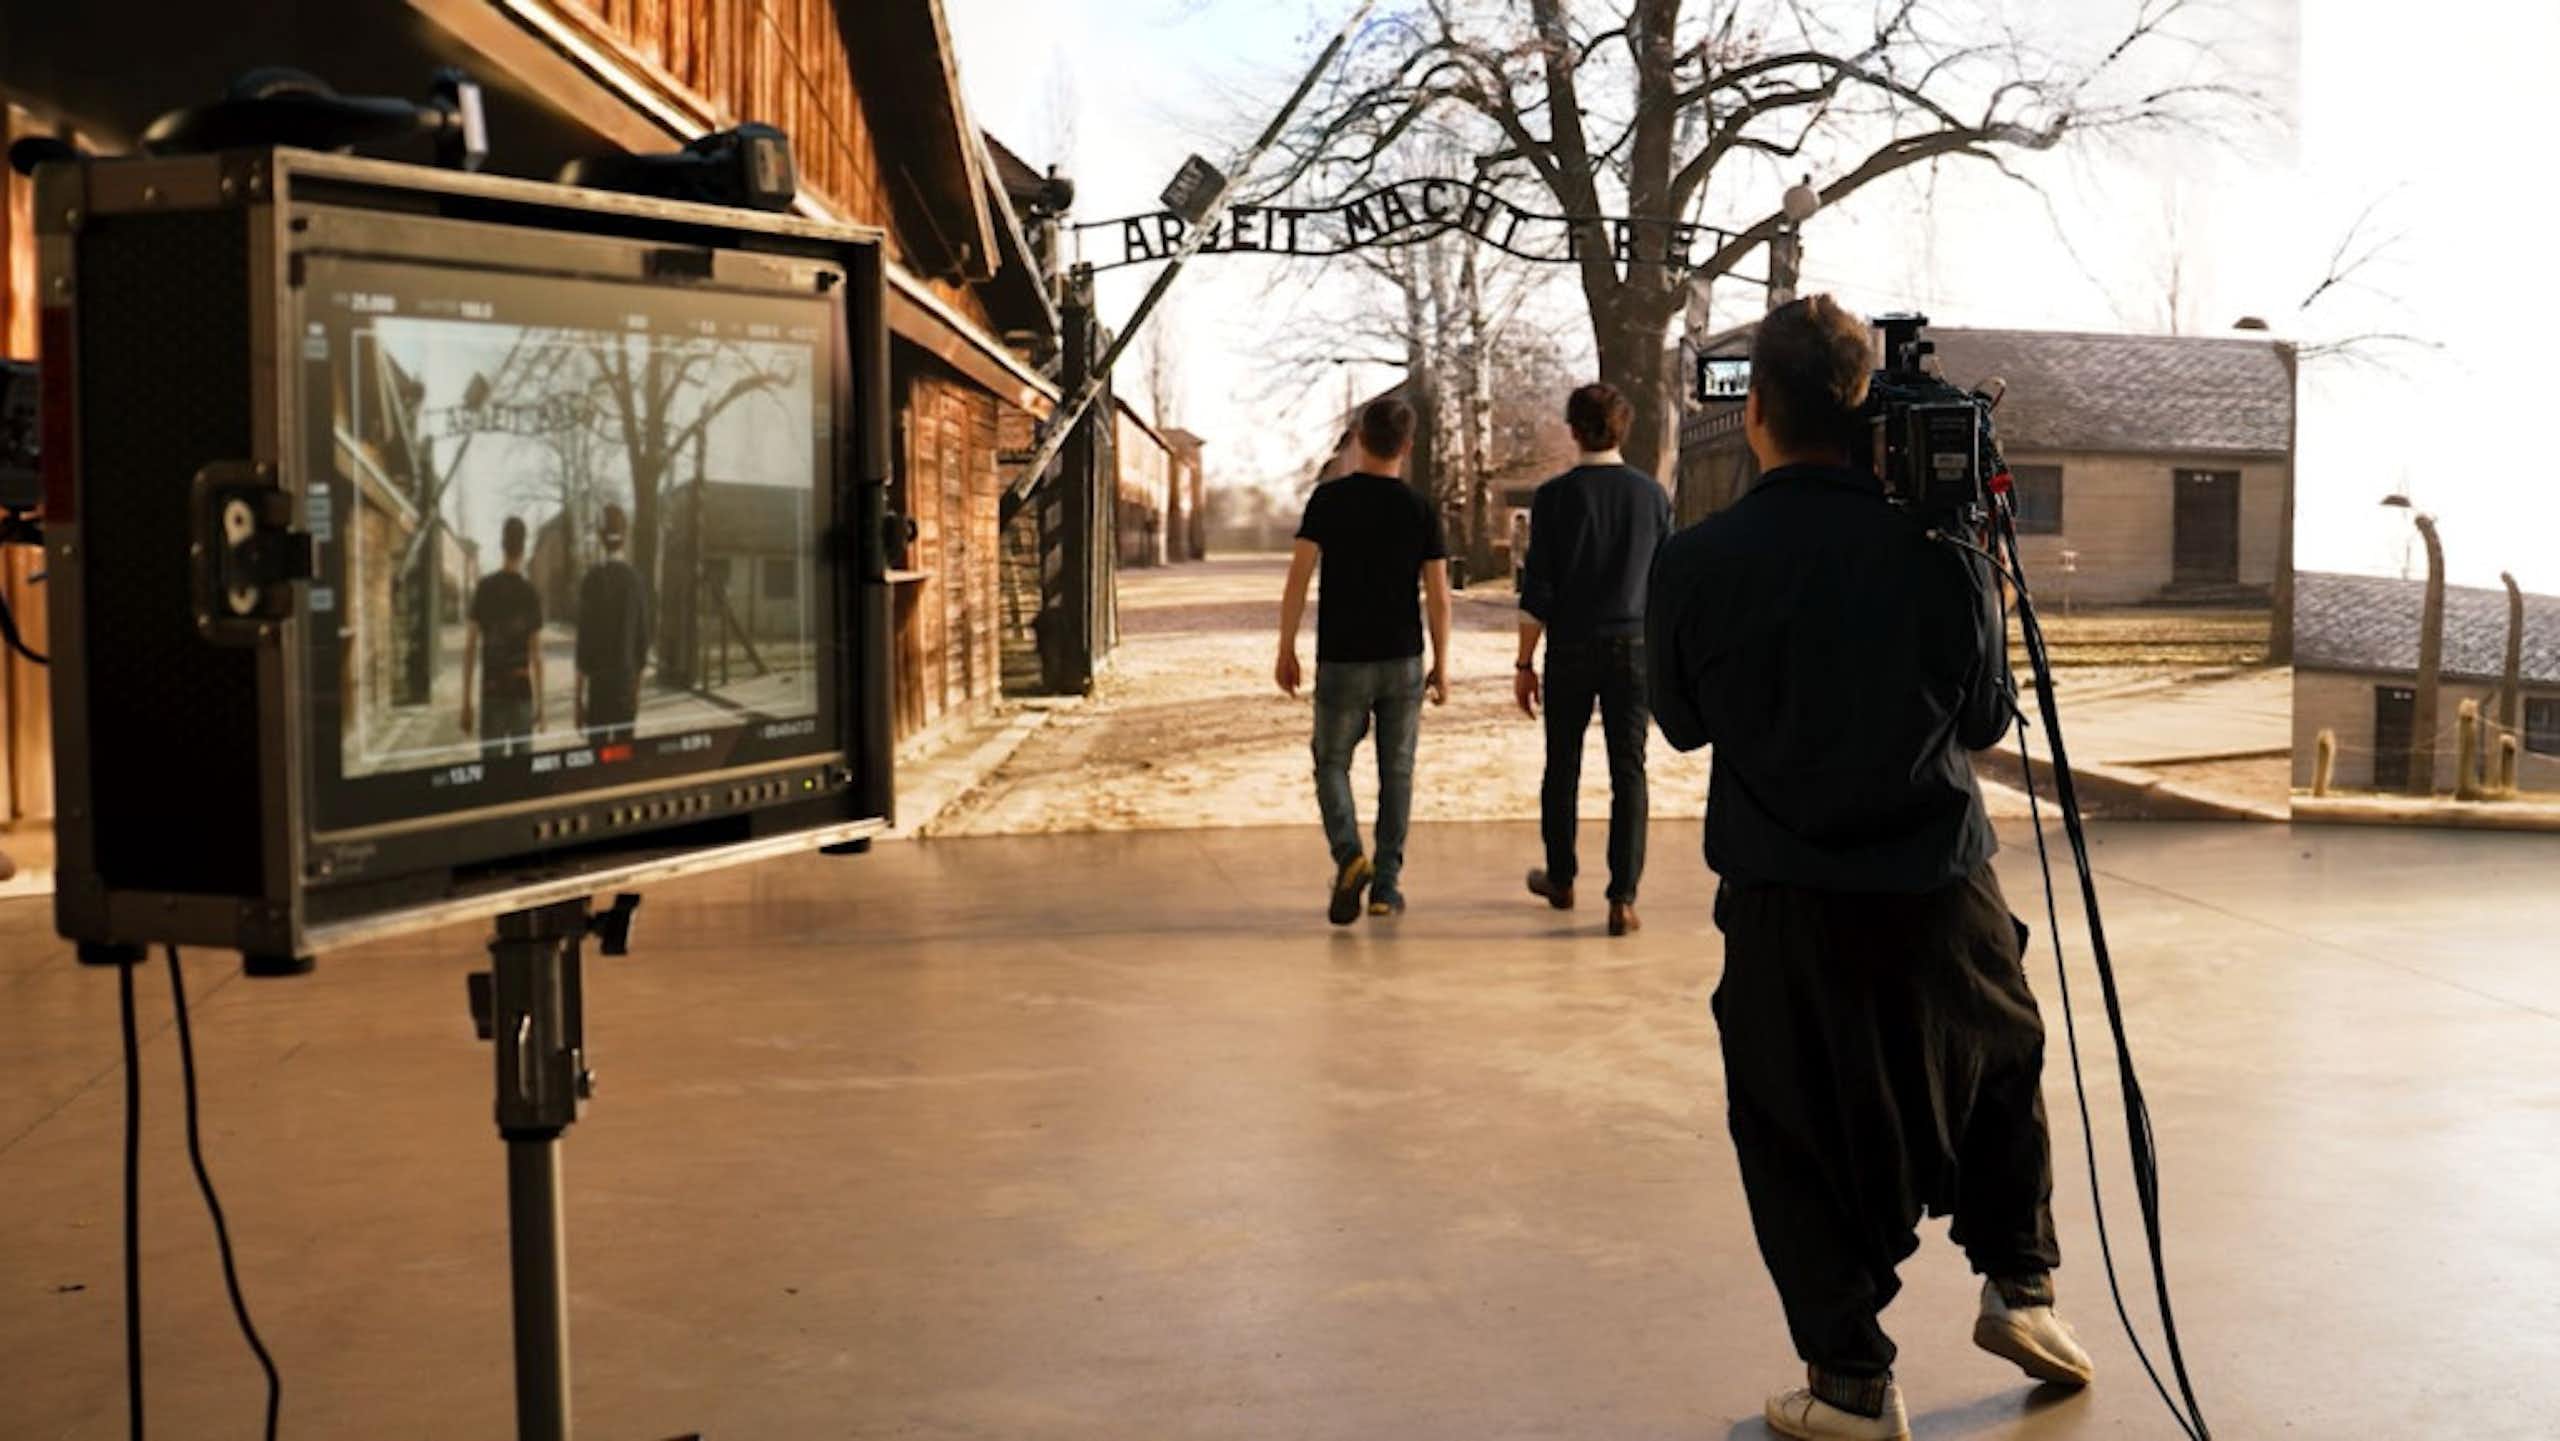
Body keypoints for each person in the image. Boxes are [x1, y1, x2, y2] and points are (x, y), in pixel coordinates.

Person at [1646, 295, 2092, 1440]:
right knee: (1999, 1066)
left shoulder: (1694, 562)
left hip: (1788, 901)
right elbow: (1988, 718)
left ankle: (1849, 1381)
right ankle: (2022, 1286)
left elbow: (1682, 724)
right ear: (1863, 412)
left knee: (1793, 1132)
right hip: (1942, 886)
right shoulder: (1943, 555)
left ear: (1761, 416)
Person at [1275, 397, 1452, 924]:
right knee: (1396, 772)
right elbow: (1438, 595)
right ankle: (1386, 887)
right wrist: (1443, 662)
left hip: (1342, 657)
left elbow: (1299, 577)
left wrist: (1286, 647)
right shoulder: (1420, 509)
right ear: (1408, 446)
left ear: (1358, 437)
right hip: (1402, 657)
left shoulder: (1328, 502)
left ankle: (1350, 857)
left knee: (1332, 763)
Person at [1514, 382, 1672, 936]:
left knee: (1563, 764)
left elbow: (1539, 589)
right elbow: (1664, 584)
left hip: (1572, 645)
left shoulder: (1554, 498)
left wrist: (1523, 663)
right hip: (1634, 645)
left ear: (1574, 429)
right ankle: (1622, 897)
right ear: (1622, 429)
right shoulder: (1652, 497)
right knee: (1629, 770)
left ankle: (1561, 878)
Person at [461, 515, 545, 764]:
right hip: (521, 694)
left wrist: (466, 703)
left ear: (502, 544)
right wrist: (542, 705)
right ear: (524, 546)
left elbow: (469, 650)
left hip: (492, 691)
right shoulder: (530, 594)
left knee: (492, 774)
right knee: (523, 774)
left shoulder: (484, 588)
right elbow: (537, 656)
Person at [575, 502, 652, 746]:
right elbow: (642, 643)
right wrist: (636, 693)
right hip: (625, 688)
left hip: (598, 689)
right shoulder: (636, 582)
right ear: (625, 535)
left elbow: (583, 644)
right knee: (621, 759)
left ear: (600, 537)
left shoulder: (591, 580)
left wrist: (578, 700)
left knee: (597, 758)